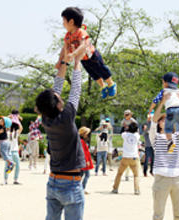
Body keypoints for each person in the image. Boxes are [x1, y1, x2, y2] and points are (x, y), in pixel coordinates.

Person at [36, 48, 85, 220]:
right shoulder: (66, 117)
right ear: (57, 104)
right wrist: (77, 63)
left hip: (54, 181)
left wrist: (65, 61)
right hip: (70, 183)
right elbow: (76, 90)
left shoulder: (46, 119)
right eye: (57, 96)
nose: (58, 93)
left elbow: (58, 85)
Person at [56, 7, 116, 99]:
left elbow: (83, 45)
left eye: (64, 20)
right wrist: (60, 60)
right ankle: (103, 86)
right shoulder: (68, 36)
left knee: (101, 69)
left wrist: (73, 54)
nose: (63, 23)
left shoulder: (80, 32)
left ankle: (111, 84)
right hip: (84, 59)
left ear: (71, 22)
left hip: (92, 55)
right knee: (93, 74)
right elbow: (64, 48)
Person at [149, 95, 179, 220]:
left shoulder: (177, 136)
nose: (164, 122)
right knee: (158, 215)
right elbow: (153, 121)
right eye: (162, 120)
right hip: (161, 178)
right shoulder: (155, 137)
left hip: (177, 178)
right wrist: (163, 102)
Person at [148, 72, 179, 153]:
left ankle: (170, 141)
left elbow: (155, 100)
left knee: (168, 128)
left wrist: (151, 108)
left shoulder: (164, 91)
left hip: (170, 110)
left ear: (165, 82)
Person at [112, 122, 141, 195]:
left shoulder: (125, 135)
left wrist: (125, 127)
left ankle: (115, 188)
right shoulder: (137, 136)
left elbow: (122, 132)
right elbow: (137, 131)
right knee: (136, 175)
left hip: (125, 157)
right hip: (134, 157)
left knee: (119, 173)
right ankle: (136, 190)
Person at [0, 117, 14, 184]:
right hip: (7, 142)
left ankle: (10, 163)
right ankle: (10, 164)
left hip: (2, 142)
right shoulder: (4, 128)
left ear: (4, 123)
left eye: (1, 120)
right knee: (7, 154)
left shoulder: (0, 127)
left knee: (4, 154)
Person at [79, 127, 94, 194]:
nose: (87, 135)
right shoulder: (81, 141)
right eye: (86, 133)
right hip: (84, 160)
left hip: (83, 160)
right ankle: (82, 188)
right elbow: (83, 152)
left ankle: (79, 188)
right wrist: (87, 160)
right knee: (87, 175)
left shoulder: (81, 140)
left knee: (80, 175)